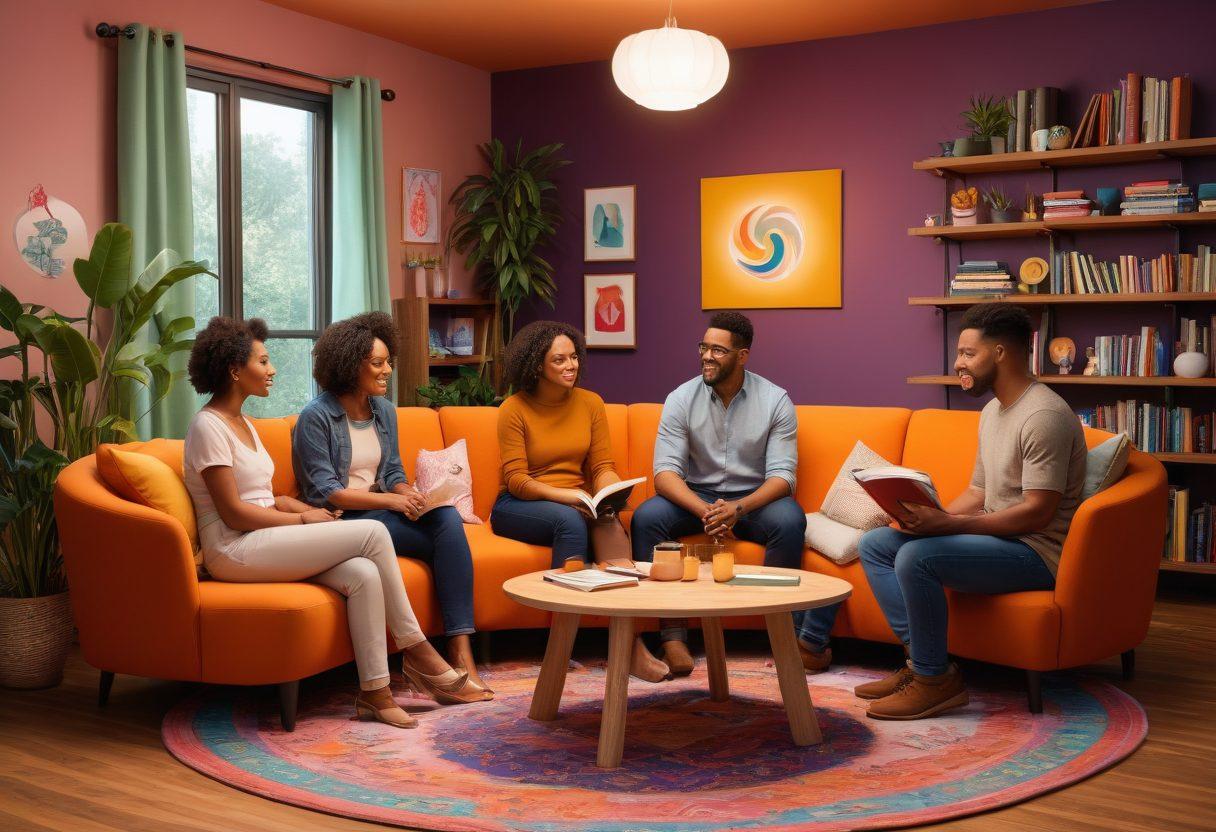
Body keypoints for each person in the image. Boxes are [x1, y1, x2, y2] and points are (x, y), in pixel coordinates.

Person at [183, 317, 480, 732]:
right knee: (374, 533)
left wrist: (290, 506)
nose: (272, 370)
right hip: (233, 549)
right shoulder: (207, 426)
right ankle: (418, 652)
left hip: (264, 538)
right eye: (264, 361)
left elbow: (263, 496)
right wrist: (304, 516)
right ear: (235, 370)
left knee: (362, 573)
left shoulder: (243, 424)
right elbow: (232, 513)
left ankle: (375, 693)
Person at [853, 304, 1086, 720]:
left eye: (967, 353)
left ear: (1000, 353)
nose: (958, 363)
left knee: (916, 557)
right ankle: (923, 665)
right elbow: (979, 490)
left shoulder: (1044, 415)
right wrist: (926, 517)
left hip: (1035, 552)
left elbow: (1038, 513)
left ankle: (933, 681)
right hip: (994, 540)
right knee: (876, 544)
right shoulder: (994, 411)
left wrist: (947, 527)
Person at [292, 312, 490, 698]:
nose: (387, 372)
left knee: (446, 517)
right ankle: (444, 658)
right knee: (446, 543)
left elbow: (393, 470)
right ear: (351, 367)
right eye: (378, 364)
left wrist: (408, 494)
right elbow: (329, 491)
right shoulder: (315, 418)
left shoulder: (383, 410)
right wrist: (393, 502)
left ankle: (460, 649)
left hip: (382, 511)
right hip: (341, 520)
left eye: (389, 362)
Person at [489, 320, 670, 682]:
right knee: (569, 521)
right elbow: (517, 480)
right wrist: (567, 496)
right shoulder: (514, 408)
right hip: (521, 504)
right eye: (559, 360)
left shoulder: (590, 403)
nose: (571, 366)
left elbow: (602, 466)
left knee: (608, 521)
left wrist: (610, 490)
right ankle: (560, 645)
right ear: (536, 365)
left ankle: (630, 644)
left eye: (574, 357)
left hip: (575, 501)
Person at [630, 311, 806, 677]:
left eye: (718, 350)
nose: (707, 356)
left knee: (790, 520)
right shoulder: (681, 398)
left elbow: (782, 478)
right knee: (647, 518)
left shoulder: (775, 401)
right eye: (703, 347)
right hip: (696, 495)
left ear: (742, 356)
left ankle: (785, 636)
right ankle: (672, 637)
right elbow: (665, 475)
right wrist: (706, 511)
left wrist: (738, 509)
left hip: (753, 499)